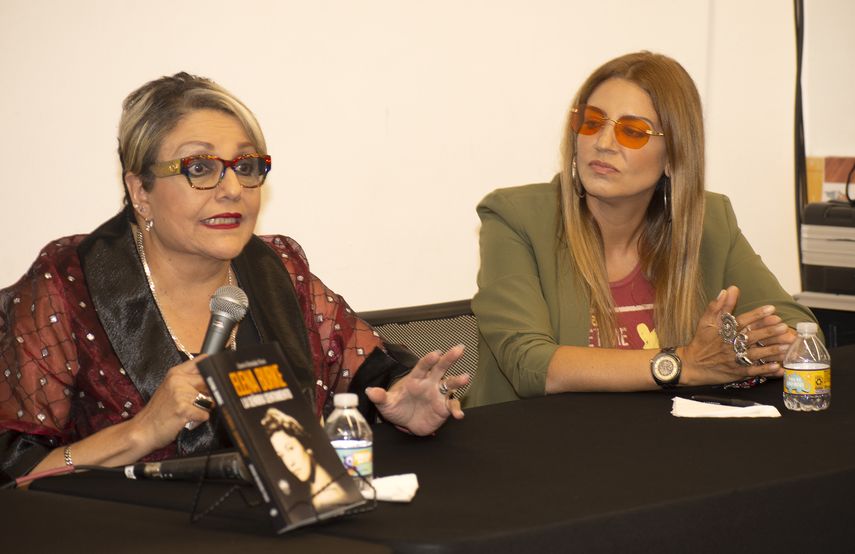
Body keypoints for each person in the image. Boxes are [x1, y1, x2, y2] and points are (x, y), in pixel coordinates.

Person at [0, 72, 469, 480]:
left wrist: (403, 399)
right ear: (140, 190)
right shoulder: (68, 284)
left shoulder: (277, 267)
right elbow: (15, 474)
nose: (232, 189)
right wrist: (140, 432)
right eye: (200, 167)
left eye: (245, 166)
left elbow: (365, 369)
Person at [464, 51, 818, 407]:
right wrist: (685, 364)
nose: (603, 143)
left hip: (662, 435)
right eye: (591, 122)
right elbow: (529, 364)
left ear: (674, 156)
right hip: (537, 434)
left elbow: (797, 329)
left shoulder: (708, 221)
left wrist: (751, 349)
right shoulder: (517, 217)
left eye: (632, 132)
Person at [261, 407, 348, 513]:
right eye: (281, 455)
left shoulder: (329, 498)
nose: (290, 463)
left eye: (290, 448)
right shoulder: (315, 493)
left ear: (306, 445)